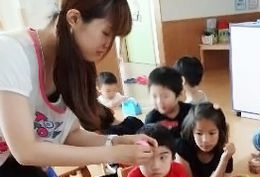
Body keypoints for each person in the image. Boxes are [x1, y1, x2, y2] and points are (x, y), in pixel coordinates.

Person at [0, 0, 154, 168]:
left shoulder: (73, 67)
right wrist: (113, 153)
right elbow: (26, 151)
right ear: (74, 18)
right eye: (106, 33)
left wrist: (116, 141)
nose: (108, 45)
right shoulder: (11, 52)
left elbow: (69, 135)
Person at [175, 103, 247, 177]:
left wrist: (224, 159)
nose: (205, 140)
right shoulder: (182, 147)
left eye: (212, 133)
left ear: (220, 132)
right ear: (191, 132)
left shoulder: (225, 153)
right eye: (199, 133)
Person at [144, 66, 192, 135]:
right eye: (154, 96)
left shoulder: (190, 113)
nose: (159, 101)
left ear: (178, 95)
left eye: (165, 96)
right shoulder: (152, 119)